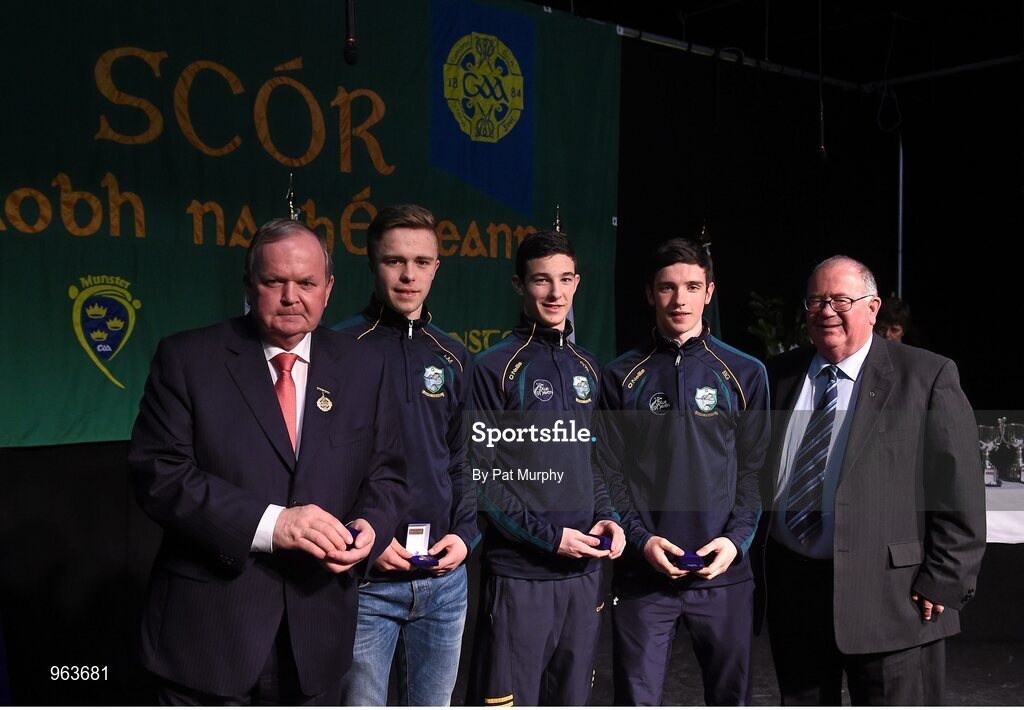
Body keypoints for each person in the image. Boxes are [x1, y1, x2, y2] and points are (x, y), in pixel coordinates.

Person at [129, 218, 406, 704]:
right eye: (274, 282)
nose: (291, 296)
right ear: (248, 284)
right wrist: (271, 525)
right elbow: (159, 475)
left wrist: (370, 527)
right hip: (209, 640)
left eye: (306, 283)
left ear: (329, 288)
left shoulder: (364, 366)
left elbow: (386, 471)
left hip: (318, 639)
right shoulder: (187, 358)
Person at [755, 255, 985, 705]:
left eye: (840, 300)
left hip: (895, 600)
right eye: (815, 301)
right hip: (796, 597)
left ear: (873, 307)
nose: (825, 311)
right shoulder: (778, 375)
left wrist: (945, 578)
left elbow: (960, 490)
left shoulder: (927, 376)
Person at [596, 238, 770, 705]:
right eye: (668, 287)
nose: (680, 299)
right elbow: (609, 473)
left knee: (729, 699)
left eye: (692, 286)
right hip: (644, 576)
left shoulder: (745, 372)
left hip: (724, 575)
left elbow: (755, 473)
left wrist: (734, 542)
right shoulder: (619, 376)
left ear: (709, 292)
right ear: (650, 293)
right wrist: (642, 540)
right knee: (636, 700)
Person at [466, 230, 625, 706]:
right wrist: (549, 538)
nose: (555, 293)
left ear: (577, 282)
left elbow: (595, 460)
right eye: (541, 280)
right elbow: (482, 478)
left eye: (564, 279)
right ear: (520, 285)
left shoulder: (589, 367)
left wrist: (608, 516)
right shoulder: (493, 367)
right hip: (521, 576)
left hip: (584, 576)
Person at [334, 205, 477, 706]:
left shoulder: (454, 354)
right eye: (395, 261)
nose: (409, 274)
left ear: (437, 266)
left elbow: (463, 459)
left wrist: (465, 535)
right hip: (368, 583)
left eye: (422, 261)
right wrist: (364, 542)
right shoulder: (338, 347)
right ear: (373, 263)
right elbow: (319, 469)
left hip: (444, 582)